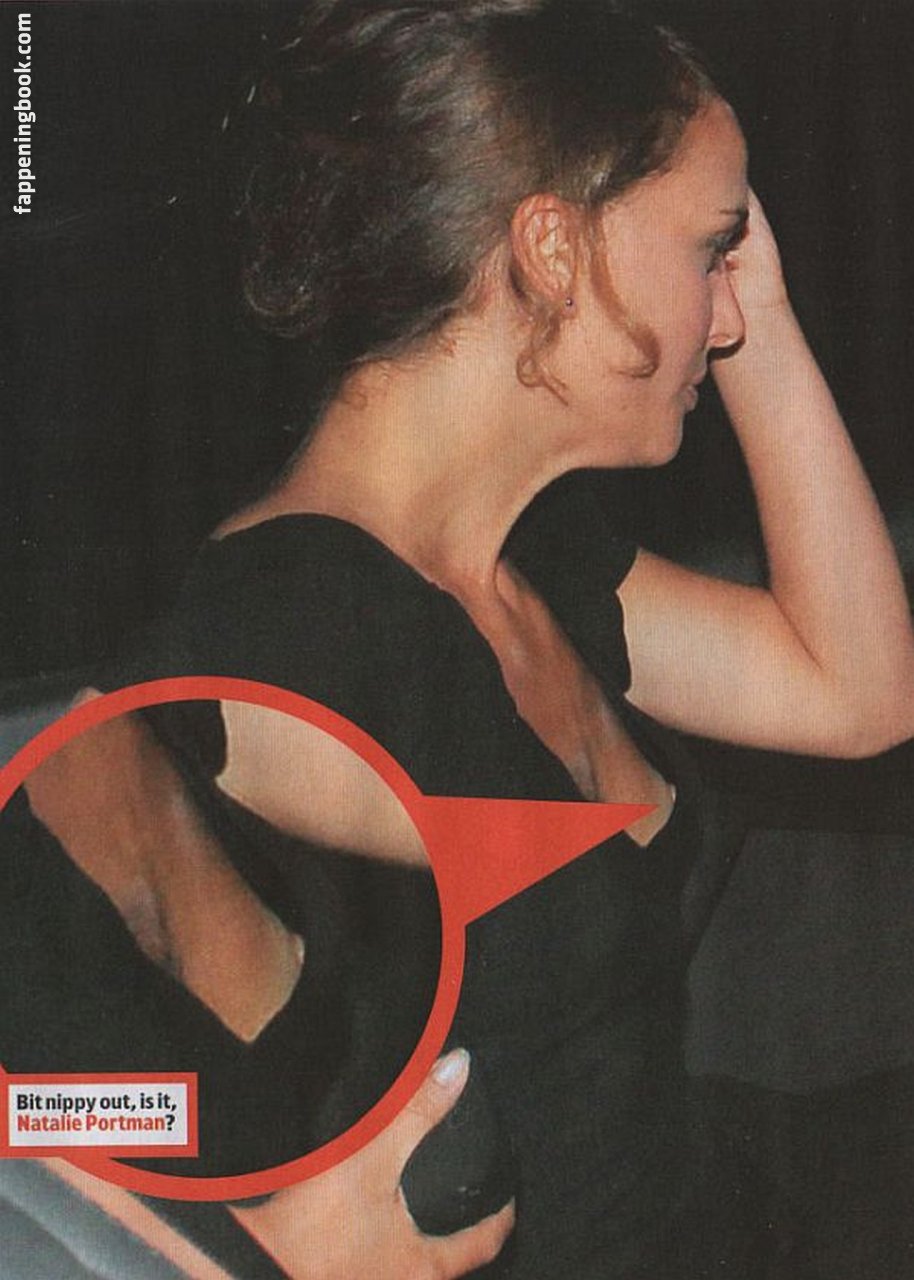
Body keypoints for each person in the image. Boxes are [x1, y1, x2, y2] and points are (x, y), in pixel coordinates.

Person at [6, 1, 913, 1276]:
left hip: (714, 1201)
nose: (723, 316)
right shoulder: (278, 632)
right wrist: (240, 1247)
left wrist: (749, 292)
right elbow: (44, 1078)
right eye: (710, 250)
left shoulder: (529, 554)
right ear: (550, 248)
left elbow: (857, 694)